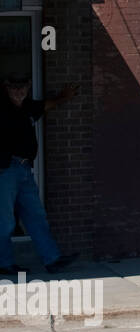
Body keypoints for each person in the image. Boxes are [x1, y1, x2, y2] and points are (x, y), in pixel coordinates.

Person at [0, 75, 78, 276]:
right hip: (5, 170)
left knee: (36, 216)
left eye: (22, 88)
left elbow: (46, 105)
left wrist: (63, 97)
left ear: (28, 88)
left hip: (25, 169)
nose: (19, 92)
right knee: (5, 220)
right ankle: (4, 263)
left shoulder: (27, 107)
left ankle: (52, 260)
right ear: (6, 89)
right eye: (14, 88)